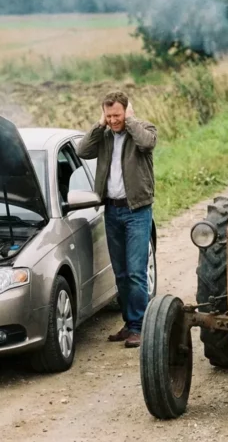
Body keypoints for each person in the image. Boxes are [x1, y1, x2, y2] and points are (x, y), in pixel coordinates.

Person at [76, 91, 157, 348]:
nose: (113, 120)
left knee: (135, 272)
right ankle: (130, 323)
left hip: (137, 211)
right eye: (108, 116)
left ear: (127, 111)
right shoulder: (105, 136)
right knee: (120, 273)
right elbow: (81, 150)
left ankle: (139, 327)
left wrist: (130, 121)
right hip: (112, 211)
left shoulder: (143, 128)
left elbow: (147, 144)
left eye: (117, 115)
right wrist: (100, 124)